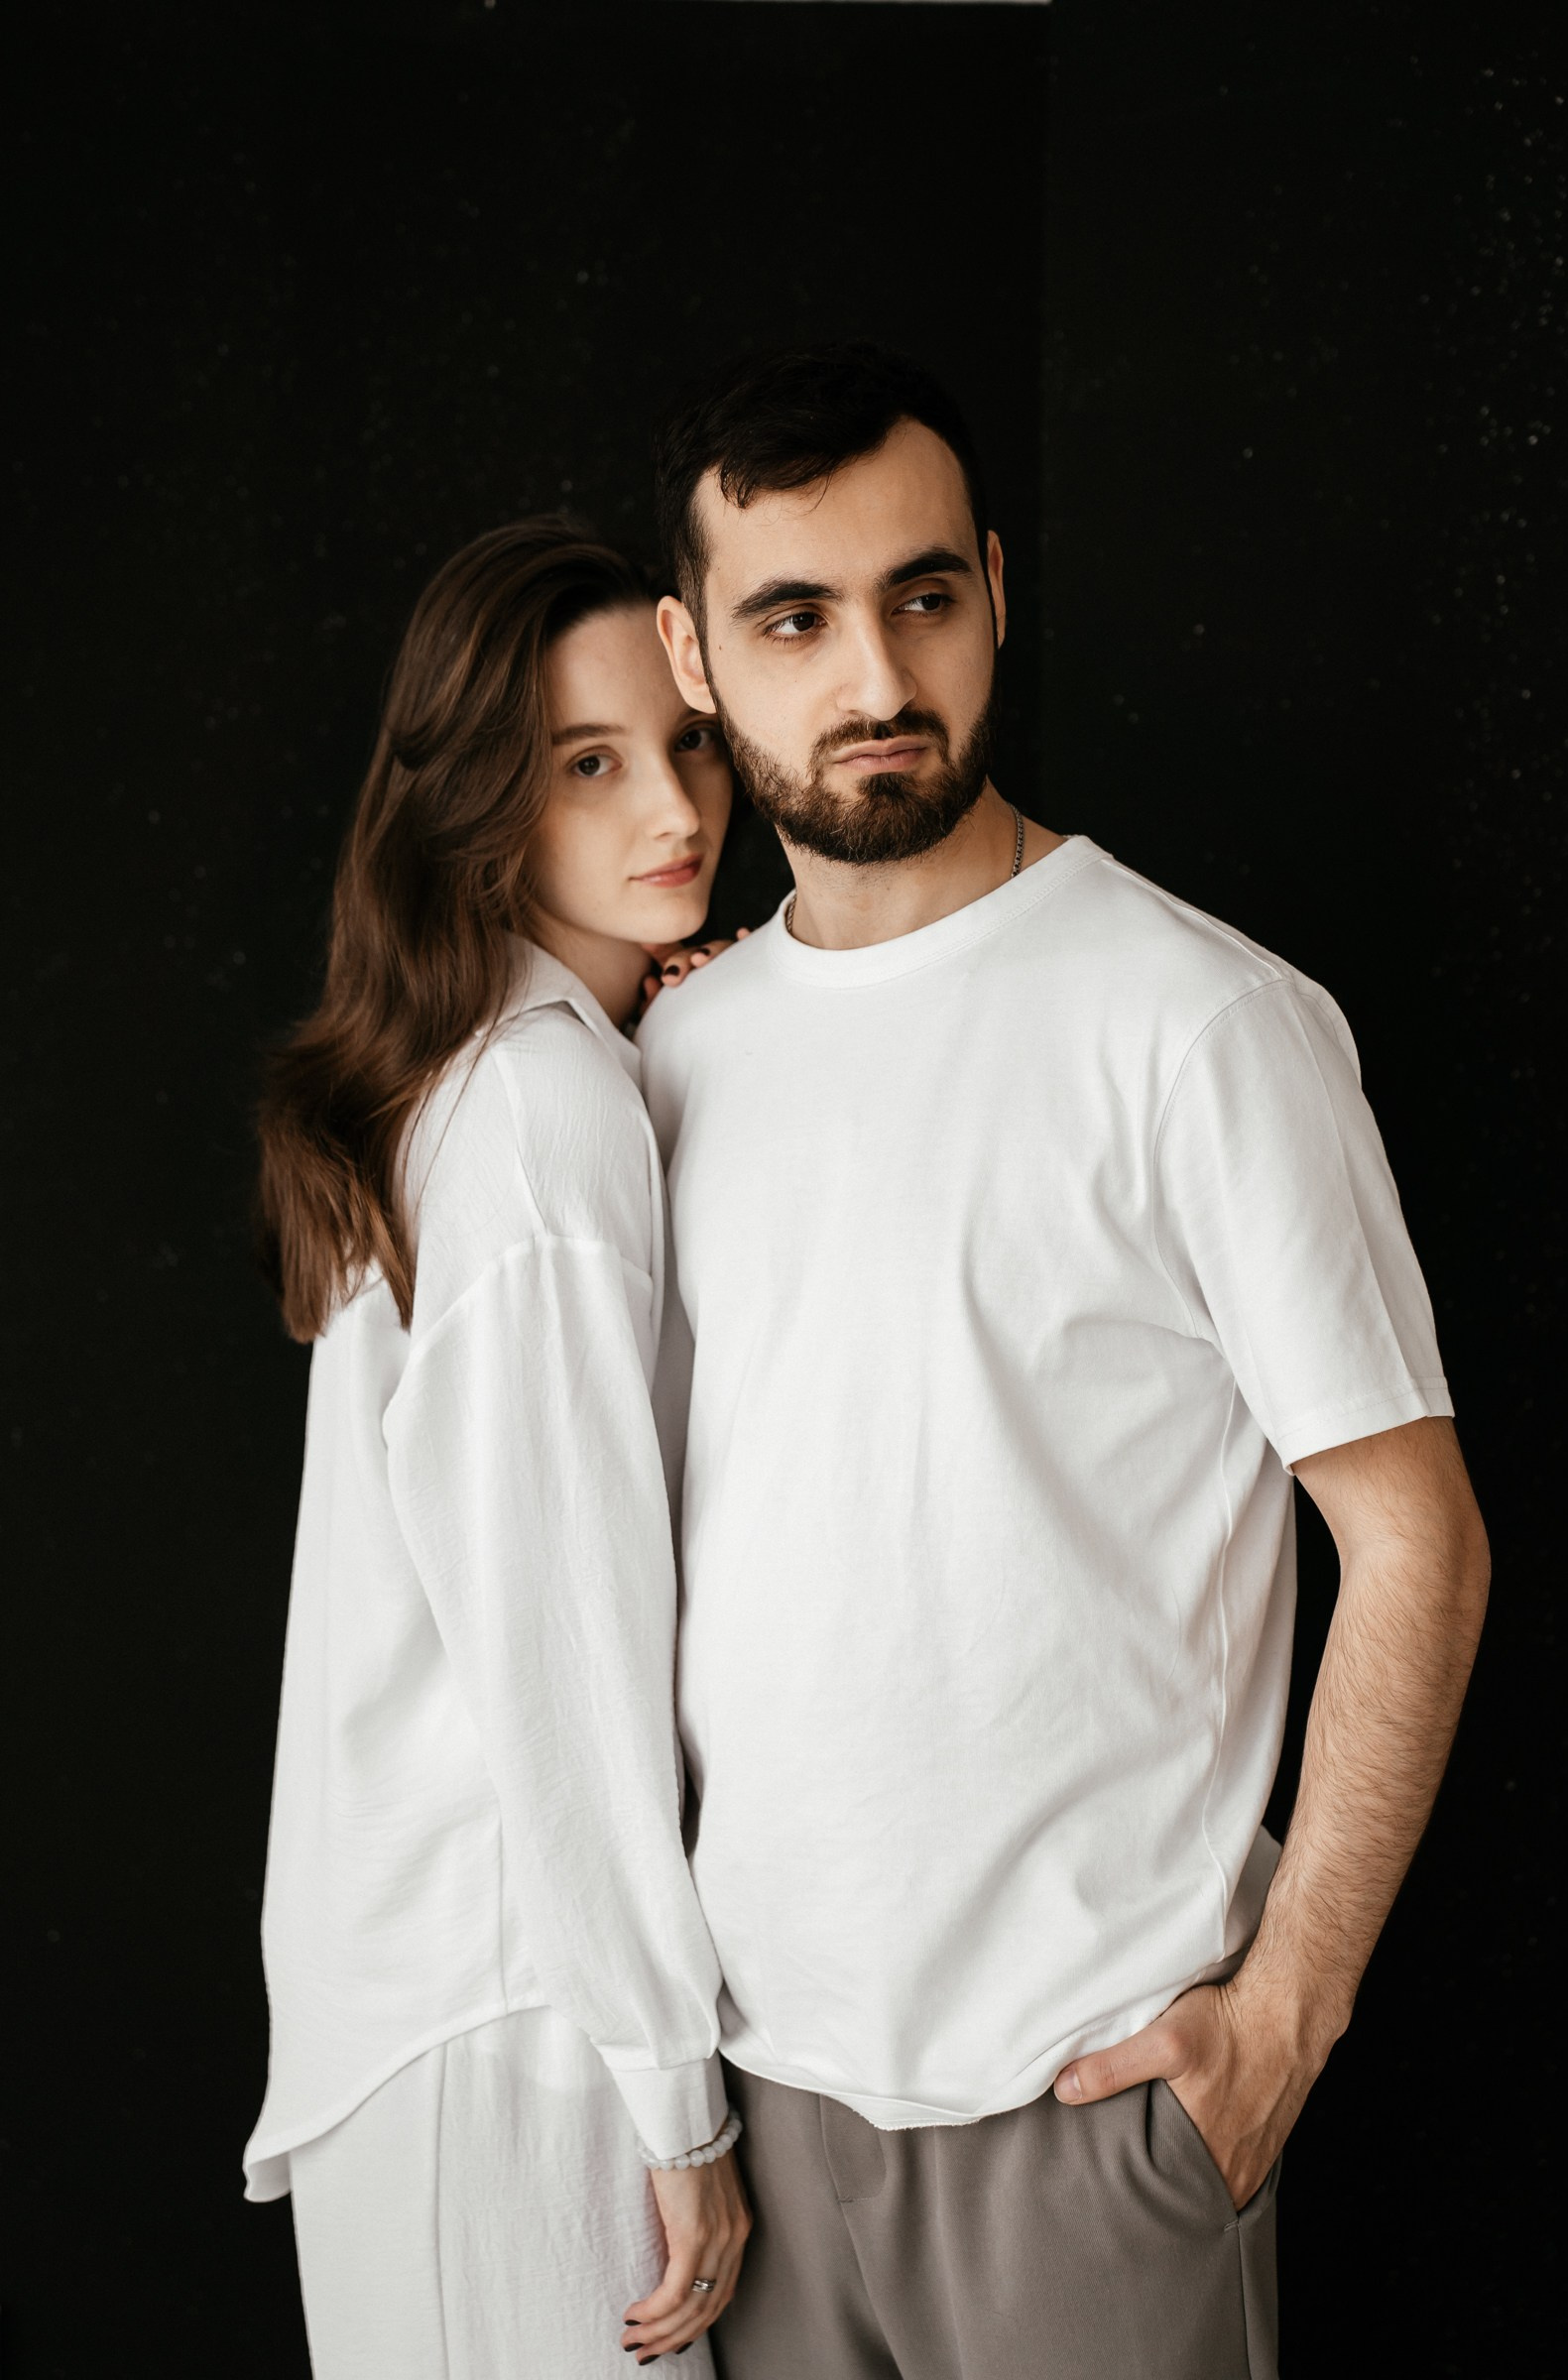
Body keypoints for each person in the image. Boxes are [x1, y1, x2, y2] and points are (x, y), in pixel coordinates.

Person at [639, 344, 1490, 2380]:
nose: (877, 677)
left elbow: (1418, 1545)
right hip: (748, 2122)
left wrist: (1282, 2023)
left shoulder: (1197, 1024)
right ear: (690, 654)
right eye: (793, 618)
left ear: (998, 593)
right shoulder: (673, 1055)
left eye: (922, 595)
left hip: (1093, 2118)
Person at [245, 519, 751, 2377]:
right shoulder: (534, 1117)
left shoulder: (500, 1073)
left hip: (463, 2003)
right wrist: (677, 2096)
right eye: (587, 765)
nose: (673, 808)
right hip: (517, 2013)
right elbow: (564, 1652)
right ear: (478, 802)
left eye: (685, 744)